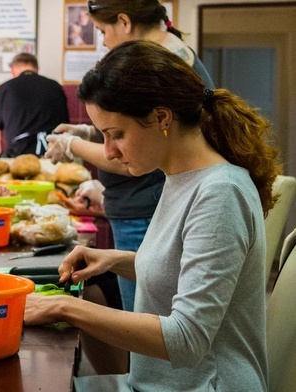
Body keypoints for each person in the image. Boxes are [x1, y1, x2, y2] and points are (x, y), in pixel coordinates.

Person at [27, 39, 279, 391]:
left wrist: (65, 308)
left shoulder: (220, 193)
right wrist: (116, 260)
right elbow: (185, 273)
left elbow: (187, 339)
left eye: (116, 135)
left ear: (162, 118)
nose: (109, 153)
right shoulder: (178, 176)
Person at [46, 0, 215, 313]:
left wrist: (69, 310)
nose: (105, 42)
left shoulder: (216, 195)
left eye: (102, 31)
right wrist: (93, 132)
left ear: (124, 21)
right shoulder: (163, 56)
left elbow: (179, 335)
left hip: (142, 208)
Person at [0, 52, 69, 158]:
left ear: (13, 70)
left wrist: (1, 158)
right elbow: (65, 128)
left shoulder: (4, 89)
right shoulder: (55, 87)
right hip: (51, 155)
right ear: (37, 69)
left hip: (18, 159)